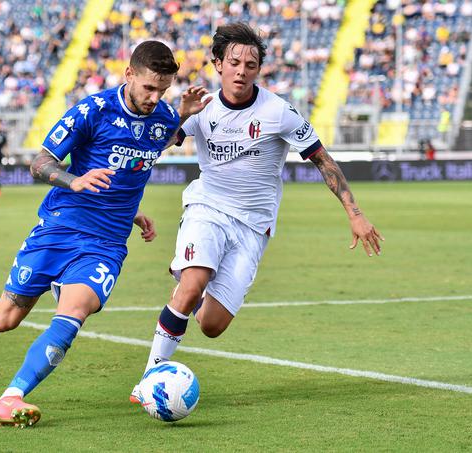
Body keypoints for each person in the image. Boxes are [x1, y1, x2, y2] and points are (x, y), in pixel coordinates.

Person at [0, 41, 205, 428]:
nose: (155, 98)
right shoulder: (93, 111)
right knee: (6, 318)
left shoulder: (165, 116)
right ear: (129, 75)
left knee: (74, 312)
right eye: (148, 89)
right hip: (60, 226)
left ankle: (11, 396)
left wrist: (132, 208)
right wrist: (74, 181)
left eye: (163, 90)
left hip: (106, 242)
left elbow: (147, 149)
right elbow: (39, 163)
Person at [130, 23, 384, 402]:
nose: (242, 71)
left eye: (251, 64)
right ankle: (149, 378)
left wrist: (355, 213)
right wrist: (181, 114)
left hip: (253, 226)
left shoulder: (278, 112)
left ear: (258, 69)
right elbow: (156, 145)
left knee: (212, 325)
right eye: (234, 62)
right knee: (192, 285)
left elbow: (321, 159)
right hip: (208, 208)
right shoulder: (202, 109)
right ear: (218, 64)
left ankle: (191, 284)